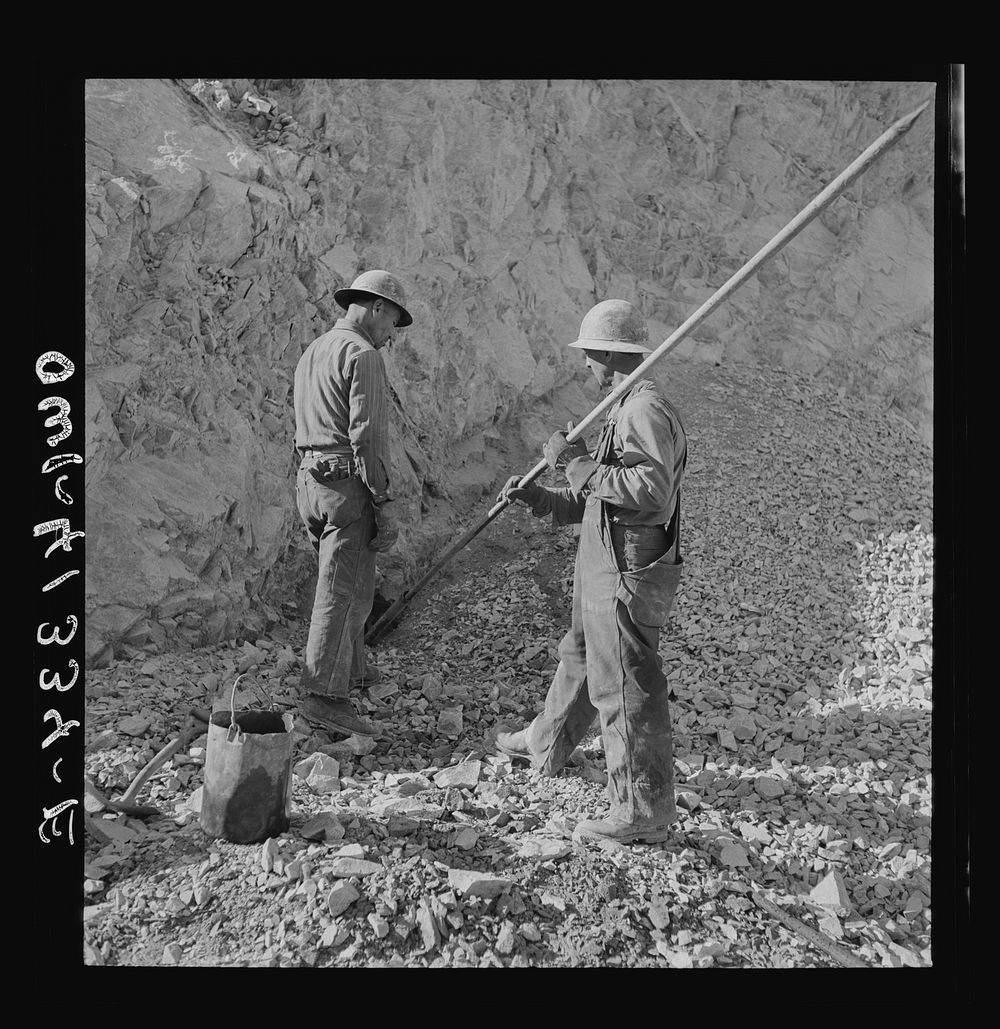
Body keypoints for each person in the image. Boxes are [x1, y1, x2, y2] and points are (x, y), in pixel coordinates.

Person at [495, 299, 687, 845]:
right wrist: (541, 496)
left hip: (627, 570)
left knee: (624, 683)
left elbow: (650, 492)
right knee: (580, 657)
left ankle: (640, 812)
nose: (585, 366)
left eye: (589, 355)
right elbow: (600, 502)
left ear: (609, 353)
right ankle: (546, 743)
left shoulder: (643, 410)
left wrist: (575, 463)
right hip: (603, 560)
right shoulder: (623, 408)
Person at [292, 270, 412, 737]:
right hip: (346, 484)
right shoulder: (362, 355)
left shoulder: (314, 350)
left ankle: (354, 671)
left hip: (310, 479)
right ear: (377, 307)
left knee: (348, 580)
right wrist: (382, 499)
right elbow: (367, 437)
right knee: (343, 590)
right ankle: (323, 695)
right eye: (392, 323)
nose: (390, 336)